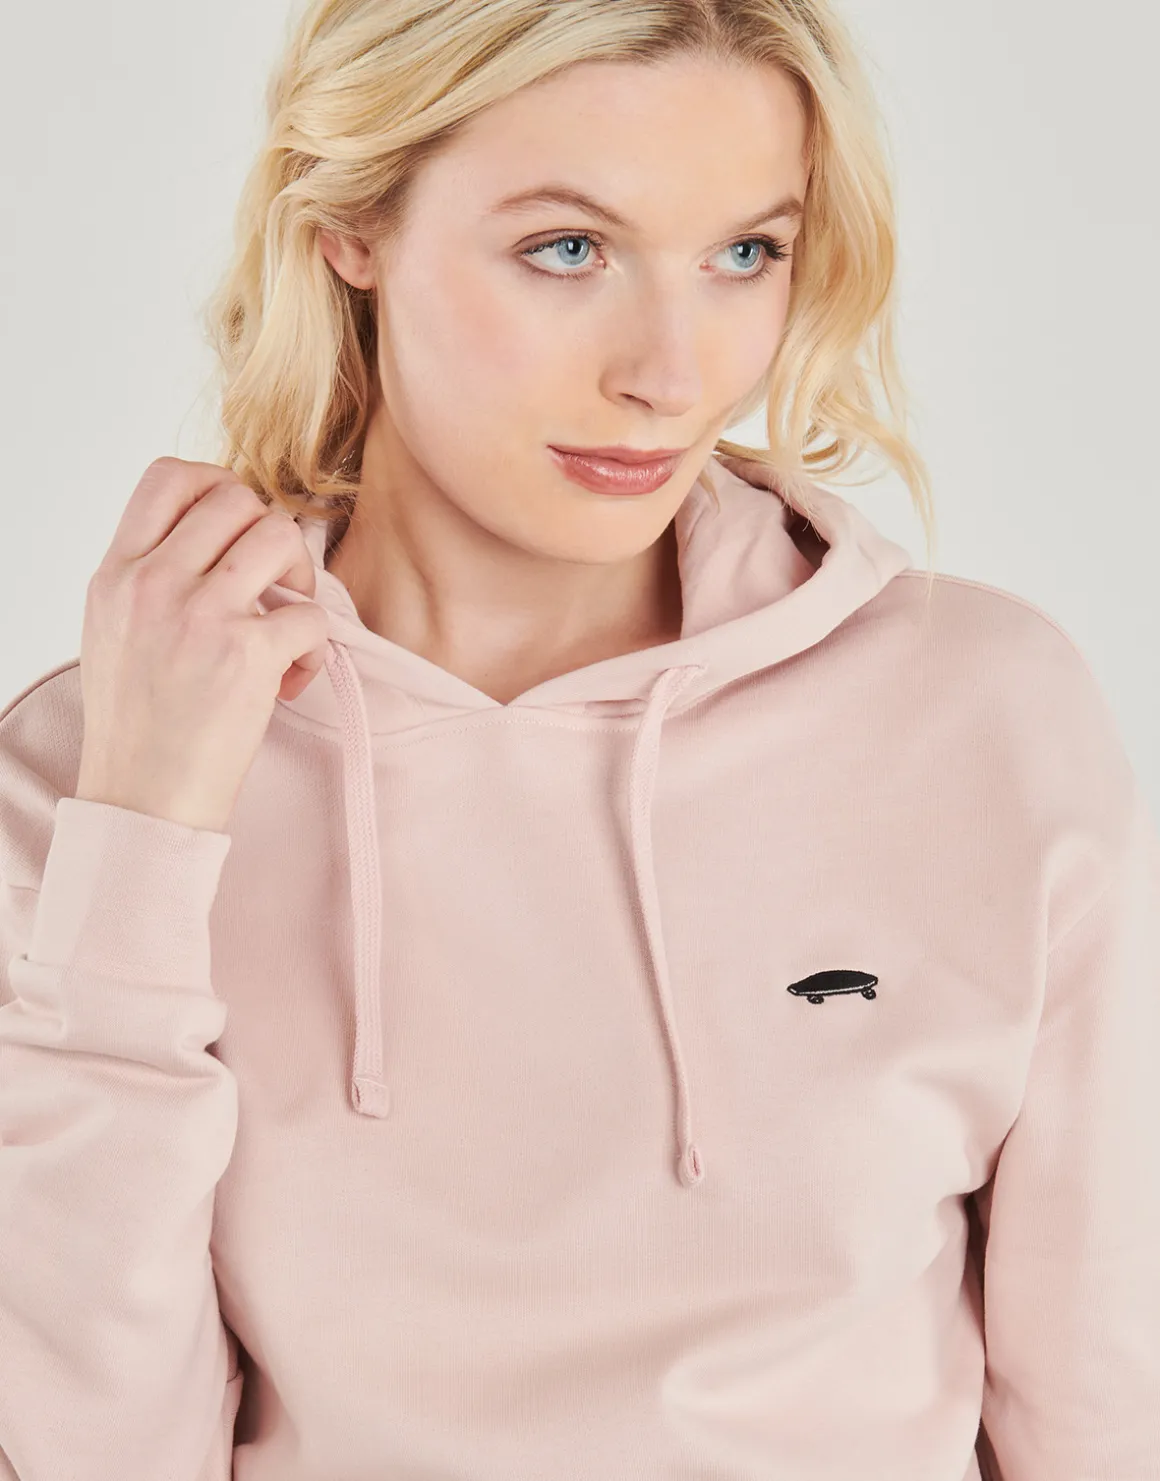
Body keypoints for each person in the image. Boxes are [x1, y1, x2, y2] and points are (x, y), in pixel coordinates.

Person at [1, 1, 1157, 1478]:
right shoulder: (88, 778)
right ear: (351, 224)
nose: (671, 373)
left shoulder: (979, 715)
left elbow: (1109, 1412)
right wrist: (143, 839)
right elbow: (98, 1454)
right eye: (568, 248)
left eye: (746, 253)